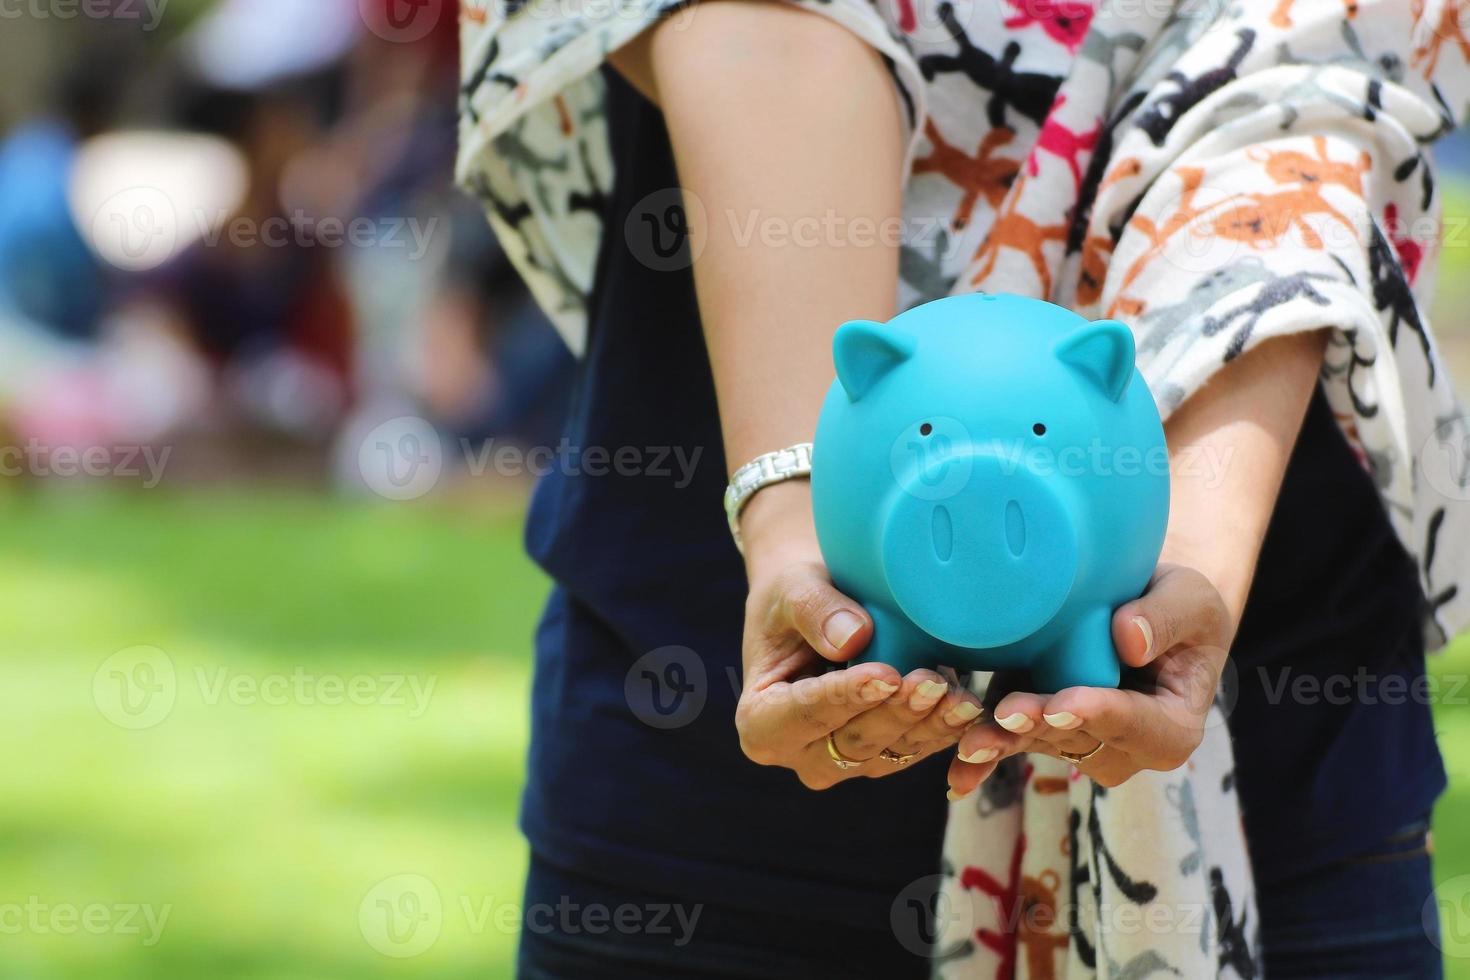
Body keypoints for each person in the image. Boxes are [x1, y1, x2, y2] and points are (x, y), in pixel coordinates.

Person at [458, 0, 1470, 975]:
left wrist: (1193, 559)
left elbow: (1303, 88)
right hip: (704, 754)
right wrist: (791, 515)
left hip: (1276, 747)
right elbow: (762, 30)